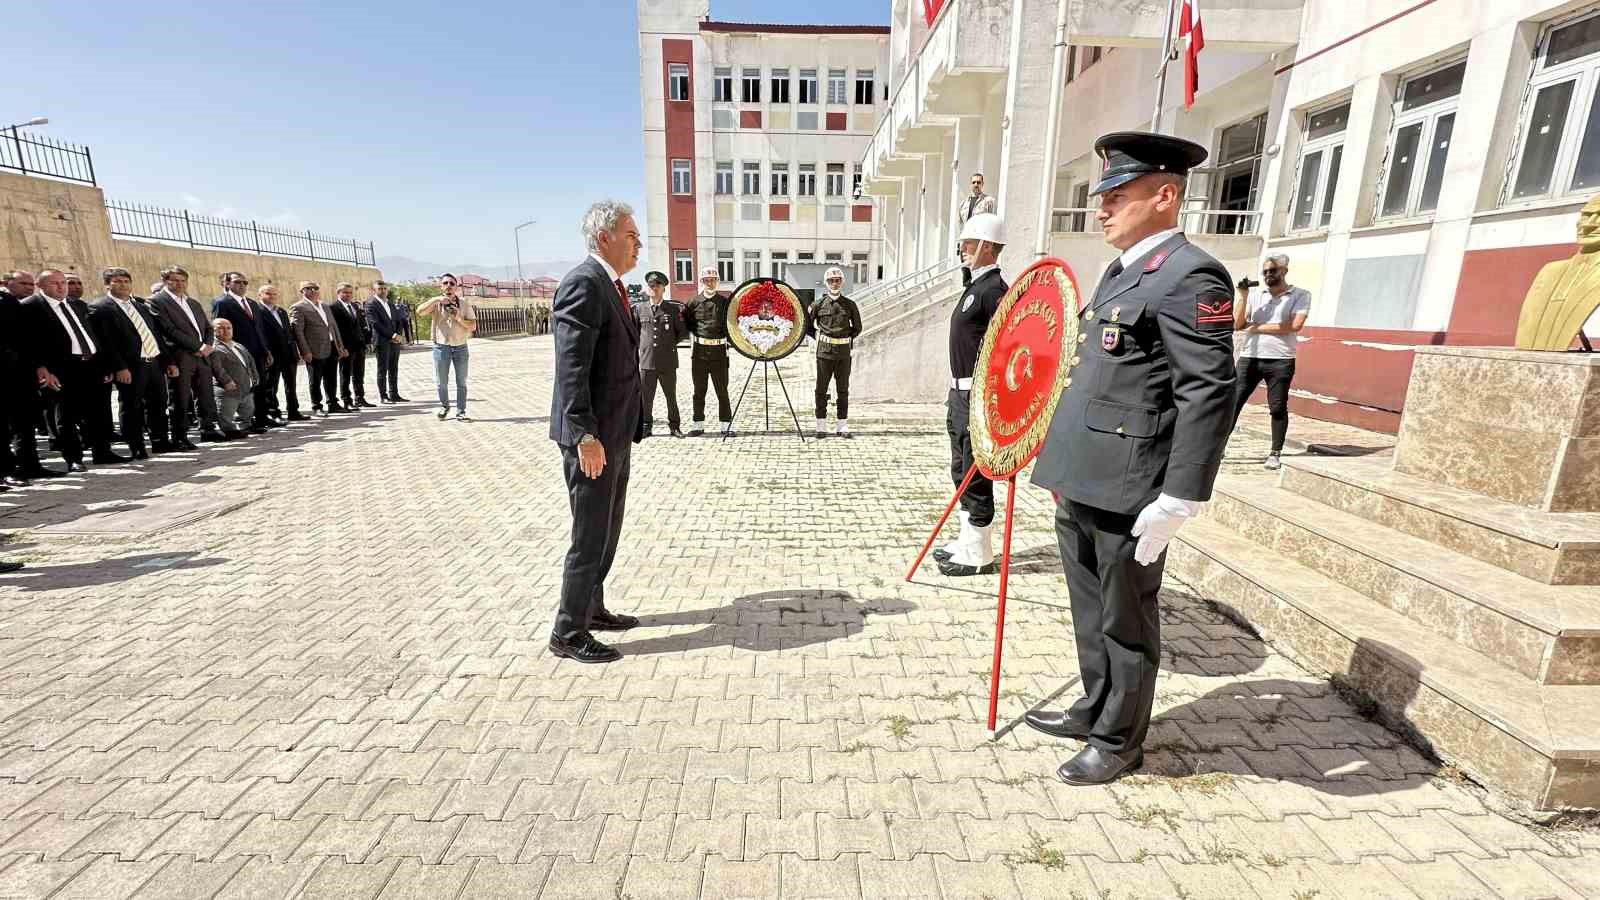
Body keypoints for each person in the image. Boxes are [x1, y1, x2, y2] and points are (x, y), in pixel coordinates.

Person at [1026, 132, 1237, 786]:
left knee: (1127, 619)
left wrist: (1180, 496)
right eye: (1103, 196)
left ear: (1165, 195)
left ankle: (1120, 741)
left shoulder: (1191, 273)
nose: (1102, 208)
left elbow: (1206, 388)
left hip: (1131, 488)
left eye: (1118, 195)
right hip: (1085, 477)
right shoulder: (1123, 272)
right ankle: (1096, 706)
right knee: (1090, 608)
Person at [548, 200, 646, 664]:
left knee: (608, 529)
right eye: (631, 234)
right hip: (593, 439)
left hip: (615, 434)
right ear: (604, 236)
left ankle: (592, 607)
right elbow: (572, 367)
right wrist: (584, 433)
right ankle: (567, 632)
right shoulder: (583, 284)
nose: (639, 242)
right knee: (589, 533)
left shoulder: (613, 286)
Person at [934, 213, 1008, 577]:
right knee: (961, 468)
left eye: (968, 242)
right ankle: (968, 539)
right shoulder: (975, 285)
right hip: (959, 394)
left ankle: (980, 551)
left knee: (975, 473)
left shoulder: (994, 289)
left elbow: (1007, 344)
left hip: (978, 397)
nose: (962, 248)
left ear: (987, 246)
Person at [22, 270, 124, 471]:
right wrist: (42, 368)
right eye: (55, 284)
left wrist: (104, 365)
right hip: (60, 369)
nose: (61, 287)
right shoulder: (30, 307)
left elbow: (93, 336)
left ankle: (102, 452)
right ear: (39, 285)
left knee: (99, 412)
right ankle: (73, 458)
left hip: (91, 365)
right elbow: (28, 342)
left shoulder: (77, 305)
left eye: (63, 283)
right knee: (66, 416)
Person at [1231, 253, 1310, 470]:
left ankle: (1275, 452)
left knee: (1277, 406)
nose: (1268, 275)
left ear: (1284, 271)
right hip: (1250, 357)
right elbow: (1237, 325)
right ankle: (1218, 448)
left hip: (1281, 360)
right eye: (1265, 271)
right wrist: (1243, 295)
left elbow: (1294, 325)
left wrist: (1255, 327)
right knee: (1233, 403)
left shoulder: (1300, 295)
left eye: (1272, 271)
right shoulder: (1256, 295)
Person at [88, 267, 172, 458]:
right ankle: (136, 445)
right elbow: (106, 343)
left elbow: (154, 335)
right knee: (132, 407)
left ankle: (160, 441)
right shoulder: (100, 308)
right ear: (107, 284)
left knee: (158, 404)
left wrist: (168, 361)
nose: (123, 285)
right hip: (131, 367)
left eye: (126, 281)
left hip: (153, 363)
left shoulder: (141, 306)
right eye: (118, 281)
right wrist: (120, 367)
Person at [149, 265, 226, 446]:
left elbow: (207, 327)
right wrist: (197, 346)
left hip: (202, 355)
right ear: (165, 281)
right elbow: (168, 330)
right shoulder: (156, 302)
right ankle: (179, 436)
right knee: (180, 398)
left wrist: (207, 345)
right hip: (180, 356)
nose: (179, 284)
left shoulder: (192, 302)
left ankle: (207, 429)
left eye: (183, 280)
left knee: (205, 395)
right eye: (174, 280)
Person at [0, 270, 60, 482]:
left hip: (23, 374)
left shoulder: (19, 305)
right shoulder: (6, 302)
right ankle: (8, 471)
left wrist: (39, 366)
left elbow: (29, 341)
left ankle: (29, 465)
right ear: (7, 283)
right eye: (22, 283)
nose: (28, 287)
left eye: (30, 283)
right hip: (7, 374)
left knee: (25, 422)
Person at [211, 272, 273, 432]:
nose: (242, 285)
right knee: (243, 388)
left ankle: (261, 418)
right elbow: (219, 328)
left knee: (259, 385)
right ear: (228, 283)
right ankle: (246, 421)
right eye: (238, 282)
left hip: (256, 353)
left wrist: (266, 350)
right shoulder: (222, 302)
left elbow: (260, 329)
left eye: (245, 282)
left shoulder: (252, 303)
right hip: (234, 355)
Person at [807, 266, 864, 439]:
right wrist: (820, 337)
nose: (834, 283)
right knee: (821, 389)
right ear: (826, 283)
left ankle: (842, 425)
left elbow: (858, 327)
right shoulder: (818, 304)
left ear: (842, 282)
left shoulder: (850, 305)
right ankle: (821, 425)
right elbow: (808, 326)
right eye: (831, 281)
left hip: (843, 353)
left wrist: (845, 338)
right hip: (824, 352)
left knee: (843, 389)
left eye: (838, 280)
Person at [631, 270, 687, 438]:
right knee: (646, 398)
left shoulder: (672, 309)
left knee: (671, 396)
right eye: (651, 286)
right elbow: (635, 332)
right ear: (647, 289)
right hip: (647, 362)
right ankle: (646, 426)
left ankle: (674, 426)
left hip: (667, 361)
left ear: (663, 289)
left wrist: (668, 344)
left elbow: (681, 332)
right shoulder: (639, 309)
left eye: (657, 286)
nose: (654, 289)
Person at [683, 267, 734, 437]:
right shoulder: (693, 302)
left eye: (713, 280)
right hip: (699, 353)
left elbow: (730, 325)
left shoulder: (725, 302)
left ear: (717, 281)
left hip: (719, 352)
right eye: (706, 280)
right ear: (702, 282)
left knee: (722, 391)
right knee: (699, 390)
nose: (710, 283)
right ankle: (698, 424)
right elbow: (688, 324)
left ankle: (726, 425)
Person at [417, 274, 476, 421]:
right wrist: (436, 299)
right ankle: (445, 406)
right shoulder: (436, 303)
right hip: (441, 347)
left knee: (461, 381)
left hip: (460, 346)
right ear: (441, 286)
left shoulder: (464, 303)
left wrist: (458, 318)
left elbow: (473, 326)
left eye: (451, 283)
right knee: (441, 382)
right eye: (445, 283)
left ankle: (461, 411)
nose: (448, 285)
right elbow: (420, 311)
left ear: (456, 286)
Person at [289, 281, 345, 417]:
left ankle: (332, 403)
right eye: (309, 288)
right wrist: (305, 351)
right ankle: (317, 405)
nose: (313, 291)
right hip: (314, 349)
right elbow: (298, 332)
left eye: (316, 288)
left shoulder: (324, 306)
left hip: (331, 346)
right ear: (302, 291)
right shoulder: (298, 307)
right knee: (315, 379)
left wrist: (340, 346)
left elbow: (333, 327)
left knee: (331, 377)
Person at [209, 318, 260, 437]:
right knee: (226, 414)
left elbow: (250, 361)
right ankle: (229, 431)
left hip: (245, 388)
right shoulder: (214, 348)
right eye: (221, 328)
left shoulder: (238, 345)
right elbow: (216, 368)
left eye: (228, 328)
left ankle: (246, 426)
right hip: (228, 389)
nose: (226, 331)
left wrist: (254, 376)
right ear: (213, 331)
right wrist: (226, 381)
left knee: (247, 410)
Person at [255, 285, 298, 424]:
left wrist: (295, 351)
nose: (272, 296)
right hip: (272, 355)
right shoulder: (258, 311)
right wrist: (266, 352)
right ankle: (274, 412)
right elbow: (260, 333)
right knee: (272, 386)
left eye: (274, 294)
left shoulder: (281, 311)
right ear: (260, 295)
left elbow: (288, 332)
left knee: (291, 384)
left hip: (288, 354)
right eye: (268, 293)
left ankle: (293, 410)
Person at [331, 283, 372, 410]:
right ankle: (346, 400)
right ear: (338, 293)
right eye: (345, 292)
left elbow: (360, 325)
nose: (348, 295)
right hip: (346, 348)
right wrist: (341, 347)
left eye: (349, 292)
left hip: (359, 346)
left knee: (359, 374)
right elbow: (335, 330)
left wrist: (366, 341)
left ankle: (359, 398)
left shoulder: (354, 306)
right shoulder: (333, 308)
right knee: (345, 374)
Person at [365, 279, 407, 403]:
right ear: (374, 290)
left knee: (394, 368)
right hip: (382, 341)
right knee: (382, 369)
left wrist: (398, 335)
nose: (383, 291)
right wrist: (393, 335)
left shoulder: (390, 303)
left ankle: (394, 394)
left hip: (395, 341)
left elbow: (398, 320)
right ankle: (383, 396)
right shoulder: (370, 304)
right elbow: (375, 324)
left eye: (384, 289)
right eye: (380, 289)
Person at [954, 172, 996, 257]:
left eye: (978, 182)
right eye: (973, 182)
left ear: (982, 184)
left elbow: (993, 223)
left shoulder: (989, 201)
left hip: (980, 242)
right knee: (965, 269)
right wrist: (959, 244)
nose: (976, 184)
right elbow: (960, 225)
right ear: (970, 184)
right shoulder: (963, 203)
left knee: (978, 269)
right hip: (966, 242)